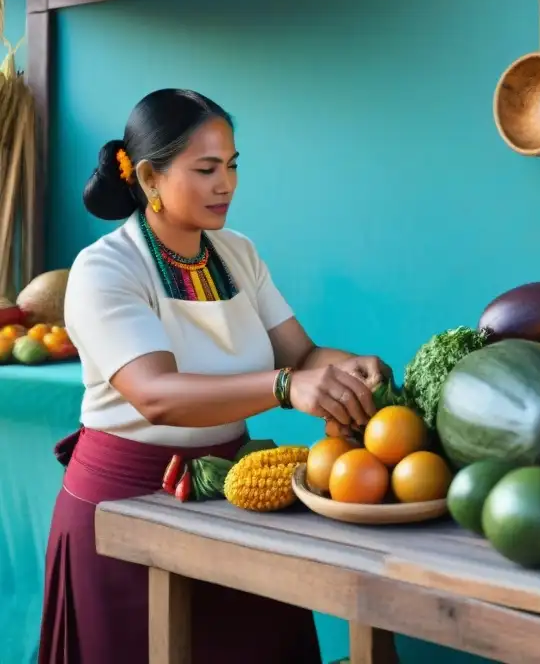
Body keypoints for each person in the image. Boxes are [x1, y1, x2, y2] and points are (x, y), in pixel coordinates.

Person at [38, 88, 390, 664]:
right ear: (149, 177)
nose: (225, 184)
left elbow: (301, 355)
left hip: (232, 495)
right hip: (125, 509)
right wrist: (283, 387)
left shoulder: (238, 254)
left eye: (231, 166)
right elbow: (155, 395)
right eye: (205, 169)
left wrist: (349, 368)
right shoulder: (105, 268)